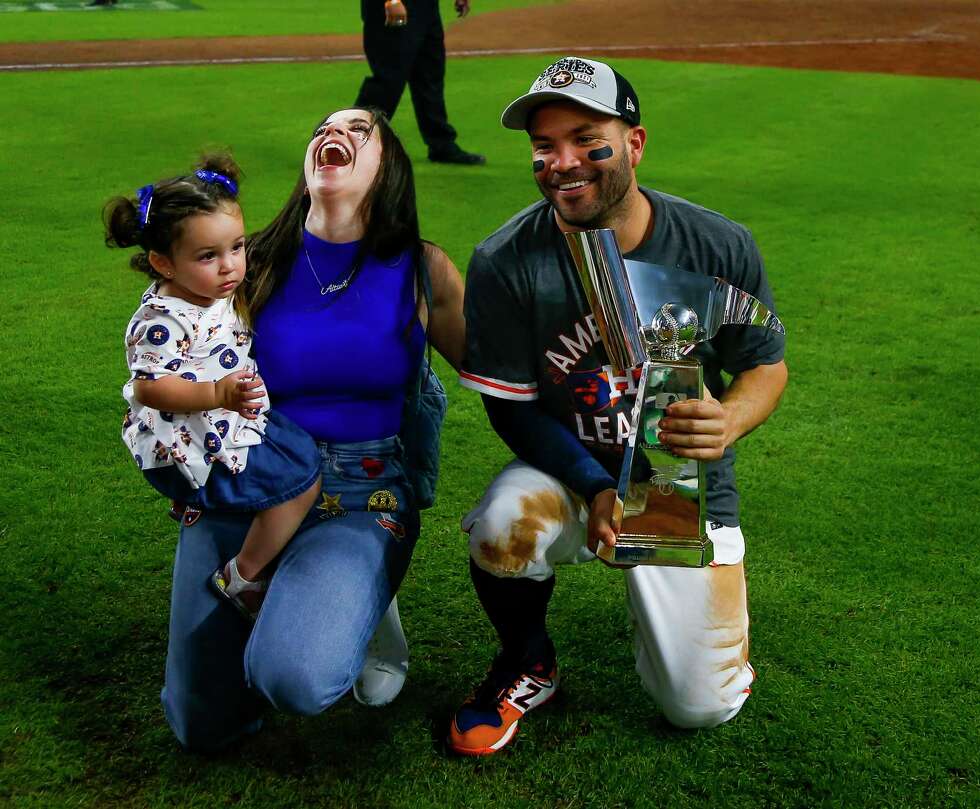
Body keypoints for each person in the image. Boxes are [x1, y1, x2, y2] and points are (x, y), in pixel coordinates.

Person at [448, 56, 789, 756]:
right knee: (502, 524)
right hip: (571, 474)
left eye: (584, 138)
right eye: (544, 146)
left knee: (699, 706)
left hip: (674, 487)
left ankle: (689, 642)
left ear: (634, 144)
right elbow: (513, 411)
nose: (562, 162)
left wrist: (729, 417)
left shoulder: (716, 245)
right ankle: (527, 660)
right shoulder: (506, 260)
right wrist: (599, 486)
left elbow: (765, 367)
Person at [156, 108, 466, 750]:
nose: (336, 135)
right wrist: (192, 468)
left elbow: (498, 371)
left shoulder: (421, 268)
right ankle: (305, 586)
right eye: (325, 128)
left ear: (388, 168)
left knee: (292, 676)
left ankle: (345, 591)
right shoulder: (252, 262)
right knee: (202, 728)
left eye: (360, 131)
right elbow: (170, 355)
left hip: (365, 485)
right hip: (257, 473)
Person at [106, 153, 322, 623]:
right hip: (194, 434)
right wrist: (217, 395)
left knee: (293, 450)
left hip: (220, 421)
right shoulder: (164, 320)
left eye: (237, 247)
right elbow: (150, 389)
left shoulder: (210, 290)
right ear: (163, 263)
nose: (230, 267)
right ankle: (242, 577)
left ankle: (198, 499)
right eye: (208, 256)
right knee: (302, 481)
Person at [355, 0, 485, 166]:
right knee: (388, 79)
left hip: (425, 6)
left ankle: (441, 144)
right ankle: (351, 139)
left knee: (429, 74)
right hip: (393, 4)